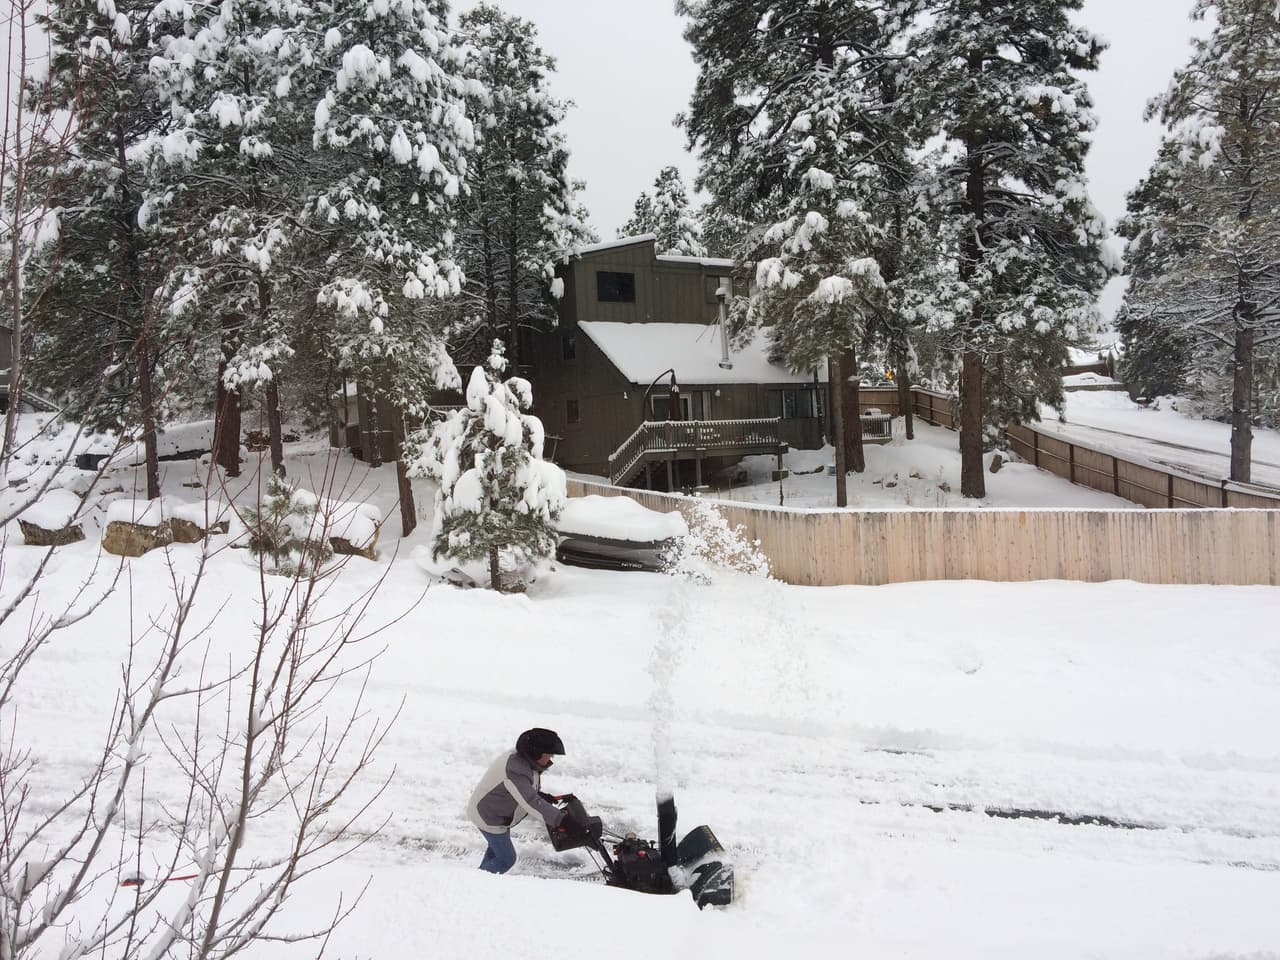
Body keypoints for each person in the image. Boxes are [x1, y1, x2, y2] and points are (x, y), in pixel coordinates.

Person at [466, 727, 578, 874]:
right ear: (536, 752)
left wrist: (543, 797)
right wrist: (560, 820)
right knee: (506, 859)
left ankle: (483, 878)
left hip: (495, 812)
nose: (551, 759)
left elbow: (525, 789)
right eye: (549, 755)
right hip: (488, 816)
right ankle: (475, 881)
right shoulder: (515, 769)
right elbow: (530, 801)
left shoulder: (524, 761)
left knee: (496, 853)